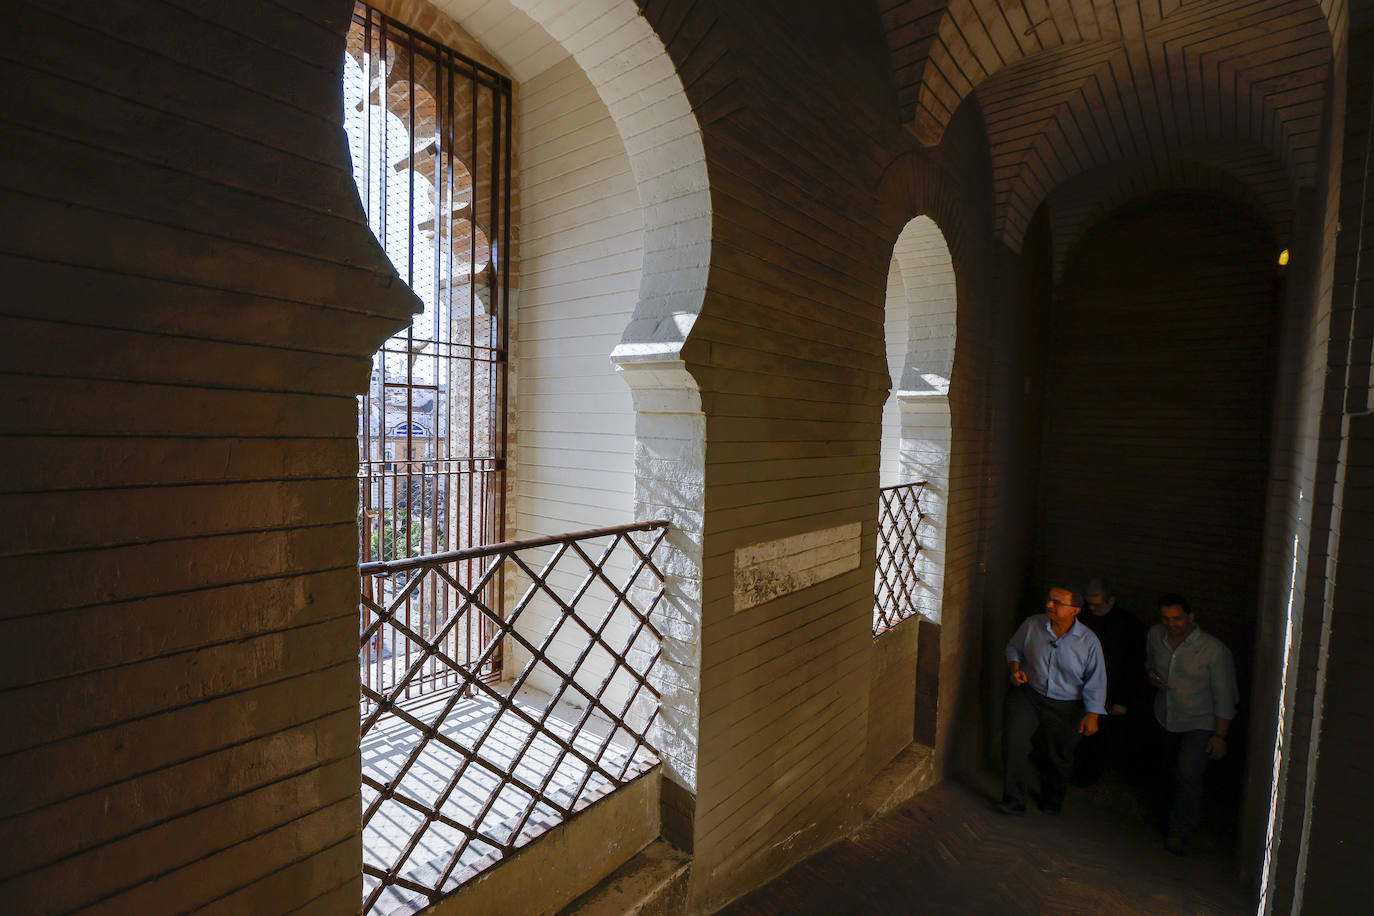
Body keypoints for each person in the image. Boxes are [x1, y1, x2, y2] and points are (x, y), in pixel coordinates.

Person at [999, 586, 1107, 815]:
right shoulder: (1032, 625)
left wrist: (1093, 714)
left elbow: (1095, 680)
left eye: (1058, 602)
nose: (1050, 605)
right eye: (1049, 600)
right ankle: (1013, 801)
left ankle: (1052, 800)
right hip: (1029, 695)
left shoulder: (1088, 642)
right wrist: (1015, 668)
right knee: (1014, 744)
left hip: (1066, 706)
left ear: (1075, 610)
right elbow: (1013, 648)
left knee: (1059, 757)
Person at [1145, 593, 1239, 855]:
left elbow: (1225, 696)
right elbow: (1150, 663)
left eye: (1177, 618)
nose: (1171, 624)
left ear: (1190, 617)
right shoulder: (1156, 636)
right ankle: (1167, 815)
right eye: (1166, 618)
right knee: (1169, 769)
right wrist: (1152, 675)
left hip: (1198, 722)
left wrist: (1220, 736)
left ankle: (1180, 830)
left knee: (1188, 773)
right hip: (1165, 716)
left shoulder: (1213, 651)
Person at [1071, 578, 1146, 787]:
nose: (1093, 608)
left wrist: (1123, 700)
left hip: (1110, 691)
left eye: (1097, 604)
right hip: (1078, 687)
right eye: (1090, 603)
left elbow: (1133, 666)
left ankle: (1085, 777)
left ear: (1111, 601)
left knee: (1098, 739)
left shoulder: (1129, 626)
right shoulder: (1083, 617)